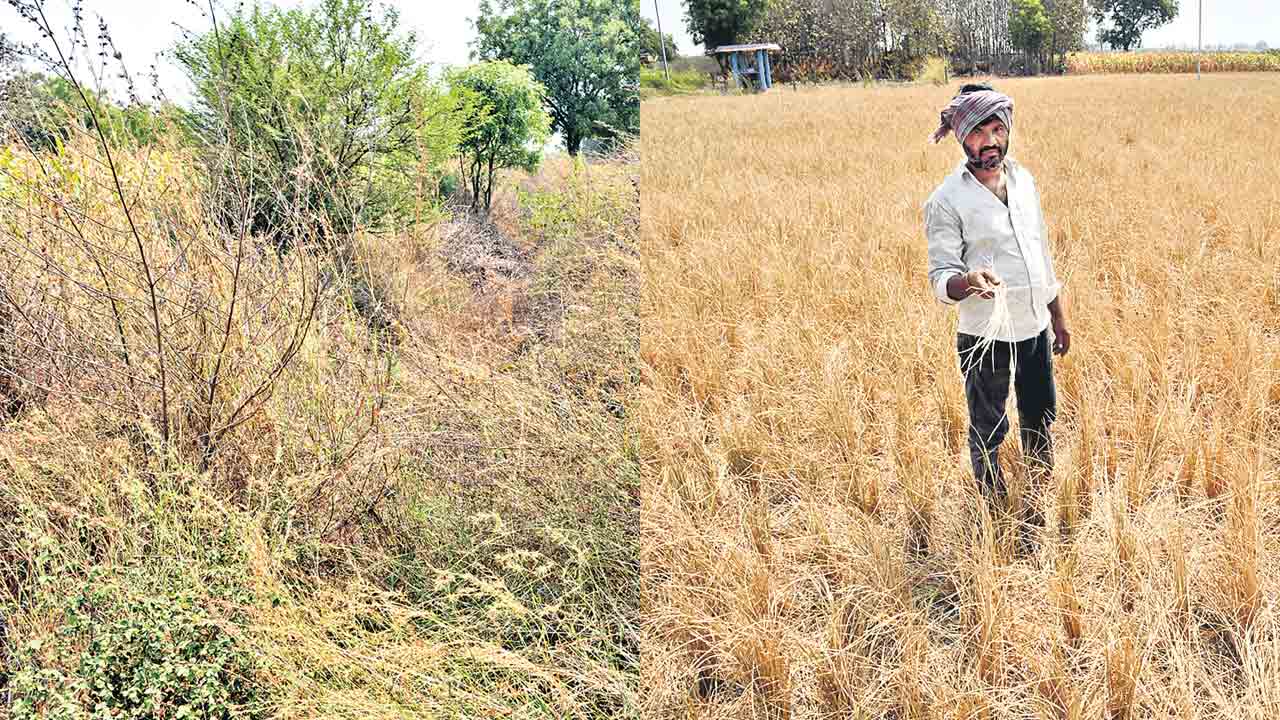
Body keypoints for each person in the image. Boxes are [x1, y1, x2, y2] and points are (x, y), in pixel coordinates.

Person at [922, 83, 1071, 550]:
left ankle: (1039, 495)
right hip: (984, 333)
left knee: (1040, 415)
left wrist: (1058, 315)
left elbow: (1040, 254)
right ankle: (991, 504)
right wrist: (968, 281)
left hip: (1032, 326)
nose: (991, 141)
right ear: (961, 137)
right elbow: (940, 277)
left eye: (998, 129)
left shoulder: (1024, 181)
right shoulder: (946, 200)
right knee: (988, 423)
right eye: (979, 133)